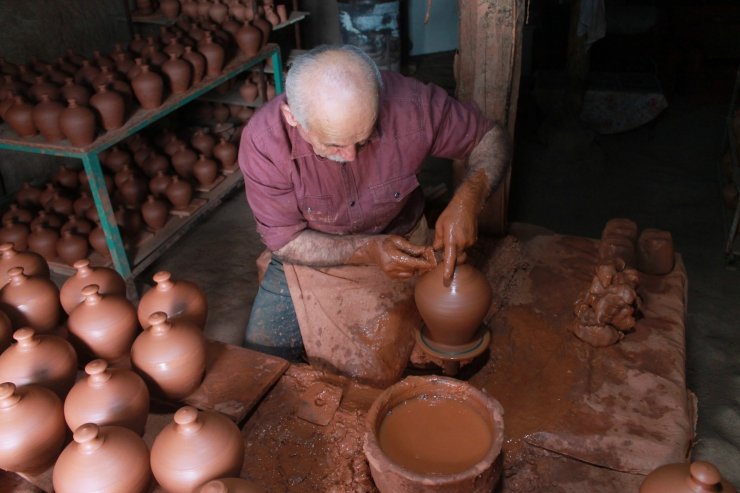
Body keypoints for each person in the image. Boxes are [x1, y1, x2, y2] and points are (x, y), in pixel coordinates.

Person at [238, 44, 511, 362]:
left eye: (363, 139)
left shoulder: (411, 104)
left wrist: (469, 197)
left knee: (417, 353)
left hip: (405, 241)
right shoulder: (264, 141)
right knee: (261, 360)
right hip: (310, 252)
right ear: (292, 117)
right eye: (334, 144)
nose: (351, 155)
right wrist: (368, 249)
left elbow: (491, 137)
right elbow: (285, 241)